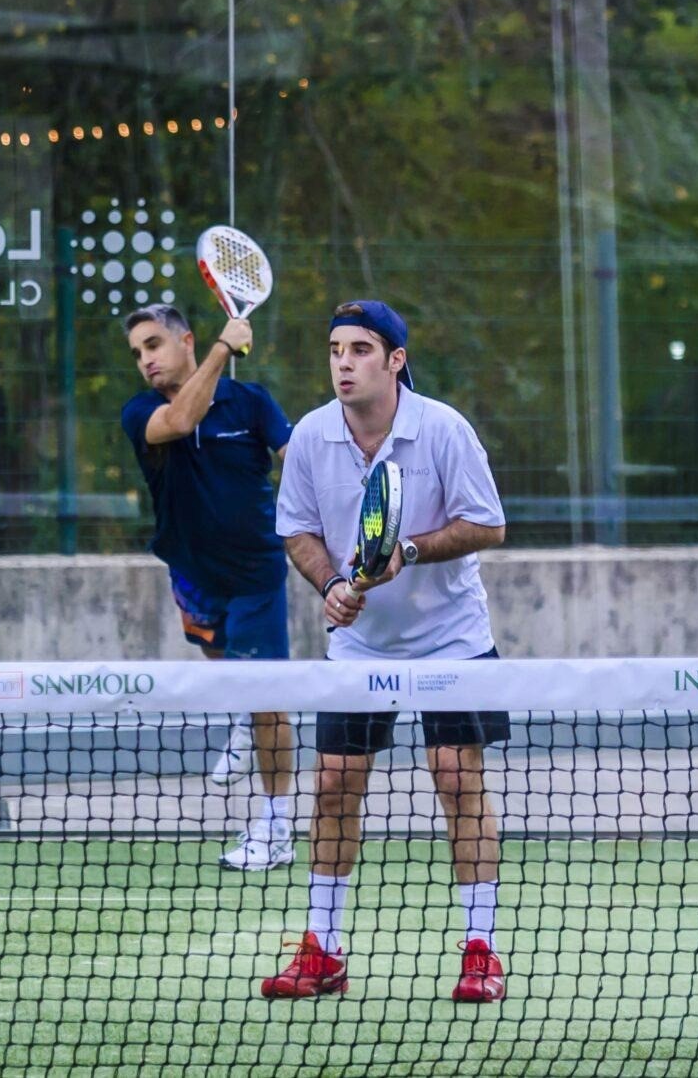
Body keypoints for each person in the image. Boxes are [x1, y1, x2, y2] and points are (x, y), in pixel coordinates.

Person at [263, 300, 509, 1006]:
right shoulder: (310, 436)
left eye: (361, 349)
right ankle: (323, 949)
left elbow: (488, 525)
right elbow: (299, 532)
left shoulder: (443, 430)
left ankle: (481, 950)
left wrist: (411, 549)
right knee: (335, 783)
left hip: (452, 639)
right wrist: (333, 584)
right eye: (336, 349)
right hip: (359, 646)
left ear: (395, 359)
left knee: (456, 780)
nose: (344, 362)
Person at [118, 302, 298, 872]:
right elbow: (180, 423)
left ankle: (276, 827)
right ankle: (245, 713)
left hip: (256, 574)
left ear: (184, 341)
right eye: (138, 352)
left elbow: (298, 462)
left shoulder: (252, 403)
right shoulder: (140, 413)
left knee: (267, 697)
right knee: (219, 658)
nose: (145, 360)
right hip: (192, 572)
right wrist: (224, 348)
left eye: (153, 345)